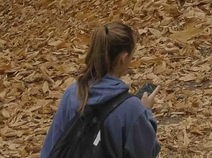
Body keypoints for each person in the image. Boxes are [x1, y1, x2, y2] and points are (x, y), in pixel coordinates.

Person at [40, 23, 161, 158]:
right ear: (124, 58)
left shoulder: (73, 93)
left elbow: (51, 148)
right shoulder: (132, 109)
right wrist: (146, 112)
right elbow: (146, 153)